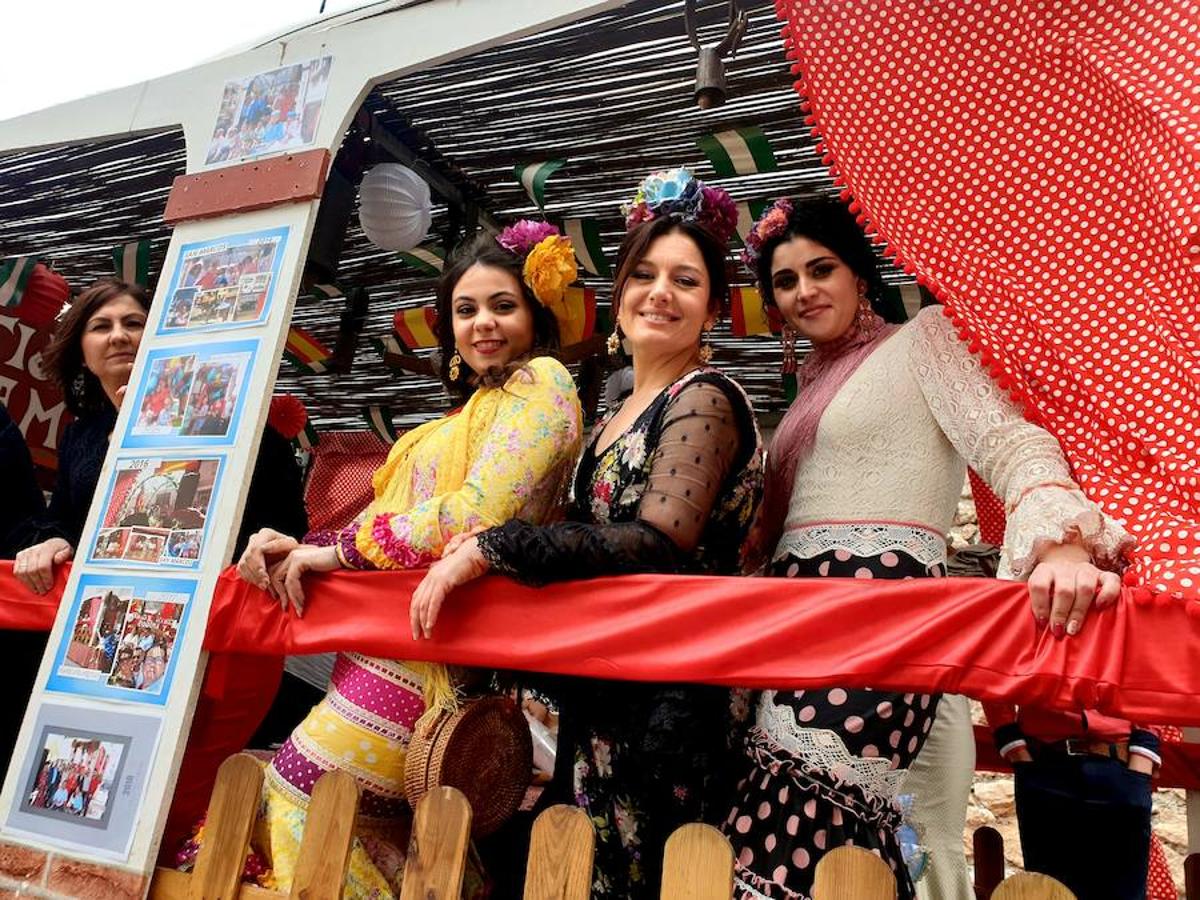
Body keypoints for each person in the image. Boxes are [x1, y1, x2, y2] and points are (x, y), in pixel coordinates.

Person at [720, 196, 1133, 900]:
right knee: (825, 840)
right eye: (785, 282)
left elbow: (1006, 438)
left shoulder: (924, 339)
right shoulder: (803, 394)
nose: (804, 292)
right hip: (791, 626)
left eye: (822, 269)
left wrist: (1061, 542)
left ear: (860, 273)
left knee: (802, 824)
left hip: (882, 614)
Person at [416, 168, 765, 897]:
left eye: (685, 281)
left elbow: (657, 541)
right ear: (619, 294)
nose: (660, 293)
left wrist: (493, 546)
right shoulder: (608, 415)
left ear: (713, 307)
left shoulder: (706, 397)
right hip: (602, 690)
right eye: (644, 274)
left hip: (675, 699)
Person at [232, 223, 584, 897]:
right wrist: (297, 545)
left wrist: (332, 553)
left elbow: (472, 513)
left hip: (434, 657)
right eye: (466, 309)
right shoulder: (467, 413)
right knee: (378, 827)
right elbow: (382, 518)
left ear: (536, 312)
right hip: (384, 642)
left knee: (304, 789)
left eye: (502, 306)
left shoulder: (543, 383)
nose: (483, 323)